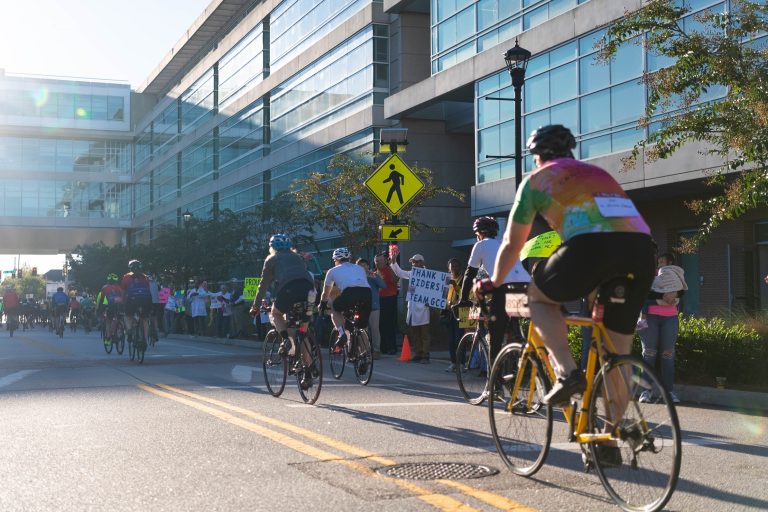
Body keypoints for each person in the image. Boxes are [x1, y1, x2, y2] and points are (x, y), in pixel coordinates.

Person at [482, 124, 655, 417]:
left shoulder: (536, 181)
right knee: (617, 353)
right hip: (641, 251)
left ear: (536, 156)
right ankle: (611, 436)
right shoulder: (599, 174)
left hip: (591, 245)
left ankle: (566, 373)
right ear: (570, 151)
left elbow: (512, 243)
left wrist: (494, 281)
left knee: (538, 297)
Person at [460, 216, 530, 367]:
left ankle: (495, 385)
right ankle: (519, 356)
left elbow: (469, 274)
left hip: (504, 288)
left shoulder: (481, 245)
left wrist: (463, 299)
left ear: (479, 233)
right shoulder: (504, 243)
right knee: (514, 329)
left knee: (495, 336)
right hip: (524, 286)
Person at [250, 234, 315, 362]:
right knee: (303, 330)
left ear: (272, 247)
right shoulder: (298, 257)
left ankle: (286, 339)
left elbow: (263, 285)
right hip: (310, 291)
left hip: (288, 291)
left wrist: (255, 307)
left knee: (275, 313)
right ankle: (308, 370)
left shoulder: (271, 260)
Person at [638, 253, 687, 404]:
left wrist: (673, 293)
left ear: (670, 262)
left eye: (662, 262)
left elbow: (682, 292)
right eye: (658, 262)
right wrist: (663, 296)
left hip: (670, 318)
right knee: (649, 354)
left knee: (668, 354)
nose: (659, 265)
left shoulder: (677, 276)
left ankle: (669, 391)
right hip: (651, 318)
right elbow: (644, 295)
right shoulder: (652, 277)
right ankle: (646, 391)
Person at [320, 248, 372, 351]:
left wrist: (322, 304)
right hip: (367, 293)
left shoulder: (332, 271)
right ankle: (365, 356)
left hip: (350, 292)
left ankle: (342, 333)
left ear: (336, 259)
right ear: (349, 258)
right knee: (361, 327)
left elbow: (326, 293)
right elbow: (362, 284)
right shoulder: (359, 268)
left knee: (334, 307)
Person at [389, 248, 432, 363]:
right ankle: (418, 353)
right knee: (415, 333)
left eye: (417, 262)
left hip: (423, 308)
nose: (415, 264)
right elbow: (400, 273)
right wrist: (394, 262)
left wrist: (430, 301)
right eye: (413, 262)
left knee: (424, 334)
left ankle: (425, 355)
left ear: (422, 263)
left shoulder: (429, 275)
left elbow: (434, 291)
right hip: (413, 307)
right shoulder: (412, 274)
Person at [357, 258, 385, 359]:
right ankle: (365, 351)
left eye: (365, 265)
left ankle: (376, 350)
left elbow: (383, 285)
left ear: (368, 266)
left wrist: (374, 275)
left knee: (374, 330)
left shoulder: (373, 275)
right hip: (360, 307)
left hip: (374, 307)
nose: (363, 267)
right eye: (360, 265)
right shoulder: (356, 277)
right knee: (362, 330)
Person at [121, 260, 152, 345]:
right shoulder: (145, 277)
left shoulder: (126, 277)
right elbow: (148, 290)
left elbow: (123, 292)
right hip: (146, 299)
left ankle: (130, 330)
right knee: (145, 319)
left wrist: (122, 302)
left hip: (132, 299)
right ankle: (145, 340)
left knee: (127, 316)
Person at [375, 251, 399, 355]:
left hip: (390, 299)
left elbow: (396, 279)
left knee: (390, 324)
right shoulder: (374, 273)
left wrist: (392, 266)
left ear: (385, 261)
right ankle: (383, 347)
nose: (377, 263)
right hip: (379, 300)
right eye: (376, 261)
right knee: (380, 325)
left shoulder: (389, 270)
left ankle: (391, 347)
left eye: (379, 261)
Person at [444, 258, 463, 372]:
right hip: (449, 313)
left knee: (459, 339)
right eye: (452, 266)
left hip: (460, 313)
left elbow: (463, 293)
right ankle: (453, 362)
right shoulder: (446, 279)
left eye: (456, 266)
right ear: (448, 268)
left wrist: (455, 285)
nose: (454, 268)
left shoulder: (463, 279)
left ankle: (461, 363)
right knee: (451, 340)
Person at [96, 273, 124, 342]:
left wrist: (100, 309)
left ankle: (108, 337)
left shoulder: (104, 287)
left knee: (108, 322)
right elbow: (123, 296)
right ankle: (120, 329)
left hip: (110, 306)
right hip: (119, 306)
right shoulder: (119, 288)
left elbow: (101, 299)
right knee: (119, 318)